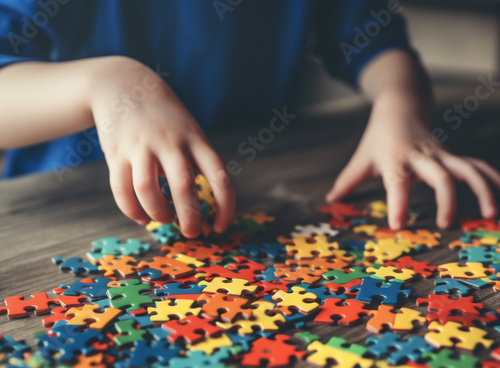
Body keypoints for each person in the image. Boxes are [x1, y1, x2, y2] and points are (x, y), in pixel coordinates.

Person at [0, 0, 498, 238]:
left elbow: (371, 37)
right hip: (53, 219)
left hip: (248, 205)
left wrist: (400, 106)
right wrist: (104, 83)